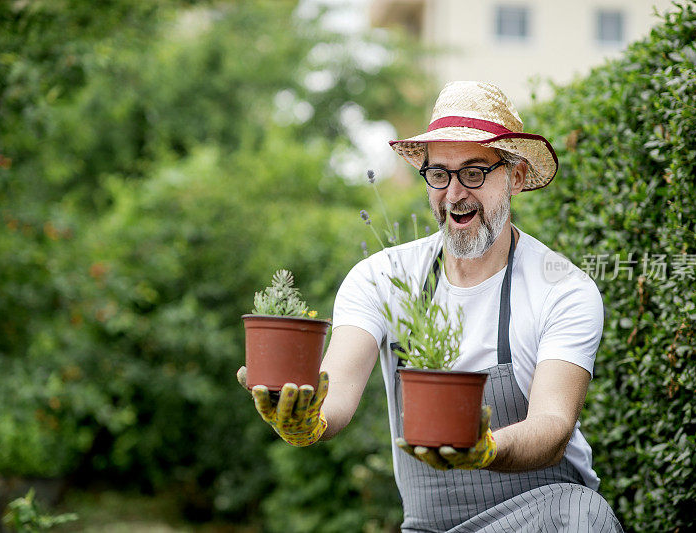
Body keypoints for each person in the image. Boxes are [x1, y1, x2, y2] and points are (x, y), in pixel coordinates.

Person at [238, 81, 623, 532]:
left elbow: (553, 426)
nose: (455, 194)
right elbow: (337, 389)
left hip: (547, 517)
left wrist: (486, 449)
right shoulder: (381, 278)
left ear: (515, 176)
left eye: (474, 172)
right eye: (439, 174)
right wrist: (310, 418)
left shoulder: (562, 289)